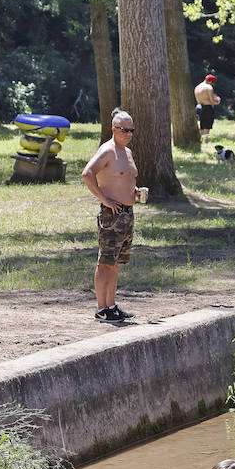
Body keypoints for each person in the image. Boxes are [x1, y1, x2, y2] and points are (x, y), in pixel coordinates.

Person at [81, 109, 139, 323]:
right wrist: (105, 200)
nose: (129, 133)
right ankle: (101, 308)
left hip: (126, 213)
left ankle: (111, 305)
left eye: (132, 130)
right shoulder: (107, 150)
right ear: (113, 129)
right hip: (112, 215)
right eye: (124, 130)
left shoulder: (127, 152)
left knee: (115, 263)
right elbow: (87, 174)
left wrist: (135, 193)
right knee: (105, 261)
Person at [194, 73, 221, 144]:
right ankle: (205, 143)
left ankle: (199, 142)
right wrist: (217, 101)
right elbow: (212, 100)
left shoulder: (197, 87)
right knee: (207, 126)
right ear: (210, 81)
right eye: (212, 83)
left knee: (201, 125)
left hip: (198, 107)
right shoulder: (209, 87)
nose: (212, 85)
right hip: (207, 107)